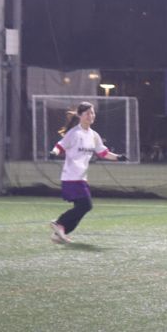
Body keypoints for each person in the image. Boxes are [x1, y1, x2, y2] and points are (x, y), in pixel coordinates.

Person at [48, 102, 126, 244]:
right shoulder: (74, 133)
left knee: (82, 207)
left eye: (92, 113)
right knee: (85, 206)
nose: (91, 116)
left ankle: (60, 233)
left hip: (81, 178)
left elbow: (103, 152)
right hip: (71, 177)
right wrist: (54, 153)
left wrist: (118, 157)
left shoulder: (94, 135)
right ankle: (59, 223)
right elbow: (60, 146)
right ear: (80, 115)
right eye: (87, 113)